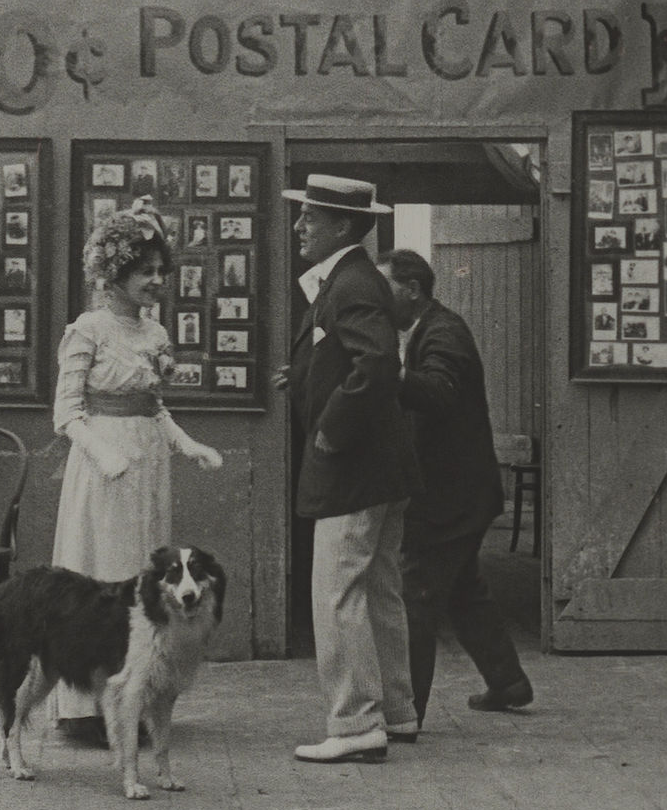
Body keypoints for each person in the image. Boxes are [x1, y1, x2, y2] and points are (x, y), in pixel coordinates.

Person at [51, 196, 223, 743]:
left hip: (148, 463)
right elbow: (66, 414)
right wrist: (104, 454)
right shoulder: (88, 330)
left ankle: (139, 698)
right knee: (104, 572)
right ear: (115, 275)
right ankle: (87, 707)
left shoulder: (154, 334)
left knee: (146, 578)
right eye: (144, 271)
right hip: (104, 465)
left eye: (160, 271)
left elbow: (155, 407)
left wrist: (188, 444)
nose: (156, 282)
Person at [277, 175, 422, 763]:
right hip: (382, 467)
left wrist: (333, 428)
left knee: (337, 592)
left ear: (342, 226)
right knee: (379, 588)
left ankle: (357, 723)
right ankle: (397, 712)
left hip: (353, 467)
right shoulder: (351, 278)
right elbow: (352, 356)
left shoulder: (351, 282)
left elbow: (378, 364)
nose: (299, 227)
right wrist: (306, 374)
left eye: (309, 217)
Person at [379, 248, 534, 728]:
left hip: (452, 497)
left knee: (416, 593)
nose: (379, 300)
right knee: (464, 589)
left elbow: (440, 392)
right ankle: (507, 681)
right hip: (459, 492)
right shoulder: (427, 328)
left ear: (412, 289)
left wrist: (387, 372)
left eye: (385, 289)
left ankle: (405, 713)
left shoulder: (444, 332)